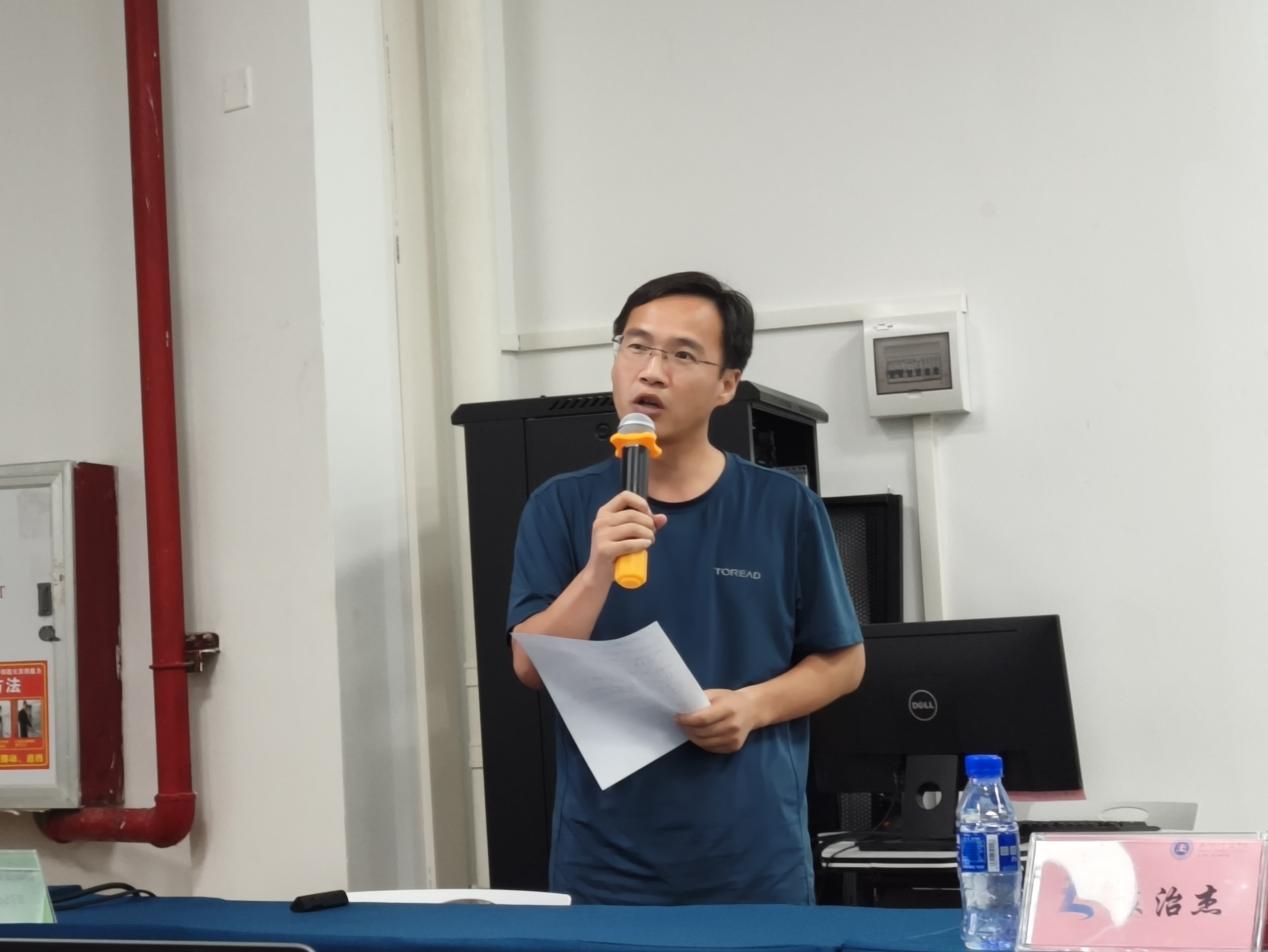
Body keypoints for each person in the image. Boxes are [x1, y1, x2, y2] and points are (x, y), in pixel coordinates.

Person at [507, 271, 866, 904]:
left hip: (754, 857)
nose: (651, 372)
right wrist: (597, 569)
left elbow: (843, 662)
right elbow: (530, 667)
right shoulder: (559, 505)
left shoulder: (784, 506)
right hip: (606, 863)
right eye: (636, 346)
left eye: (681, 355)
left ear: (727, 384)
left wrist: (751, 708)